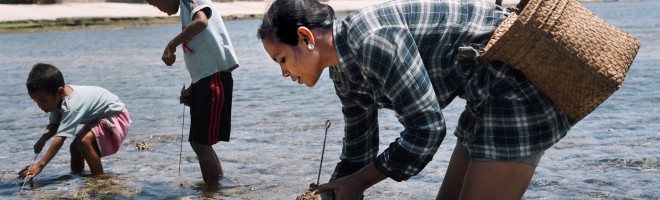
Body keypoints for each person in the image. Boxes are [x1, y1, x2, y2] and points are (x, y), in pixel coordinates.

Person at [257, 0, 575, 199]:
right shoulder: (342, 69)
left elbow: (427, 130)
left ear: (305, 38)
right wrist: (331, 191)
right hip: (484, 97)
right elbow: (358, 150)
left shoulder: (371, 39)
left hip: (517, 84)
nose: (285, 73)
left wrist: (359, 183)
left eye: (282, 59)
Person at [145, 0, 239, 189]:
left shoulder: (190, 1)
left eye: (156, 4)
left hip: (214, 78)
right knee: (201, 143)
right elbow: (204, 52)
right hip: (206, 79)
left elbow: (201, 21)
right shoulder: (186, 8)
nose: (158, 9)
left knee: (200, 143)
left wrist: (171, 44)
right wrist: (193, 87)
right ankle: (215, 185)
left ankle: (212, 190)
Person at [18, 63, 131, 180]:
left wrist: (40, 165)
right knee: (74, 147)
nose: (40, 106)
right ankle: (77, 176)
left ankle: (99, 178)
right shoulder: (56, 98)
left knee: (84, 142)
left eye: (43, 101)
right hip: (97, 118)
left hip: (115, 116)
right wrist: (43, 139)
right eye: (35, 101)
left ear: (60, 92)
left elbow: (61, 137)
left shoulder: (72, 105)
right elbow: (54, 124)